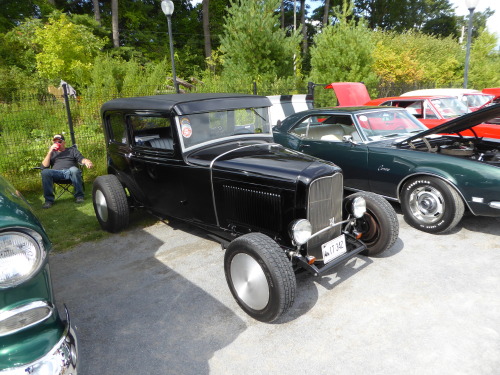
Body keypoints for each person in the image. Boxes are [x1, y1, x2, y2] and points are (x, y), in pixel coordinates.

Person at [41, 134, 93, 208]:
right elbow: (44, 166)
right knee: (45, 172)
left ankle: (79, 196)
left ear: (64, 142)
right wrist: (49, 152)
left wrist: (87, 161)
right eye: (55, 142)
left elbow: (81, 159)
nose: (57, 143)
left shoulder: (72, 150)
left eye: (59, 141)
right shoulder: (52, 153)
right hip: (56, 173)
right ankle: (49, 201)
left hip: (70, 172)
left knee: (74, 170)